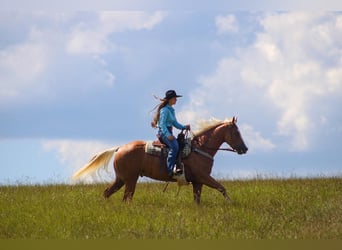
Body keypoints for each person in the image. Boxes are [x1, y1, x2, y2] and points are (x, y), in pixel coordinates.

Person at [151, 90, 190, 177]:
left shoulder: (171, 110)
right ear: (170, 99)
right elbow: (162, 124)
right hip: (163, 133)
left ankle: (177, 165)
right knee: (175, 147)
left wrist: (184, 127)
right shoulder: (165, 110)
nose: (176, 100)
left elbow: (175, 123)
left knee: (179, 145)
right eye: (175, 98)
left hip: (168, 132)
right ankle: (170, 169)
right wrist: (168, 135)